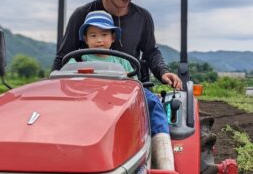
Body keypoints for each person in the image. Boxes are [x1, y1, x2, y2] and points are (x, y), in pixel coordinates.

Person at [53, 0, 182, 90]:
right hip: (90, 87)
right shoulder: (83, 14)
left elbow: (150, 51)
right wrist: (55, 87)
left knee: (153, 105)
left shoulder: (142, 17)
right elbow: (63, 57)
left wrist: (163, 71)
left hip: (129, 86)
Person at [67, 10, 175, 170]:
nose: (99, 40)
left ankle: (163, 155)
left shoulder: (122, 61)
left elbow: (134, 86)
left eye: (104, 35)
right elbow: (68, 81)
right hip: (90, 98)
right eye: (93, 35)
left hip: (118, 98)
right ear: (85, 38)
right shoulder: (77, 60)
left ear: (113, 37)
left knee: (151, 100)